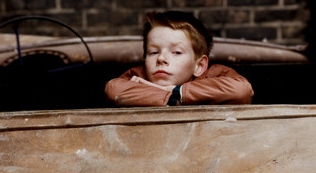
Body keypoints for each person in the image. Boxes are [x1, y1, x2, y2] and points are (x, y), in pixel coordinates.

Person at [105, 11, 253, 106]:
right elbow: (114, 90)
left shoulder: (217, 74)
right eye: (153, 52)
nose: (161, 59)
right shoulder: (138, 76)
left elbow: (241, 90)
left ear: (199, 66)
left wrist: (178, 91)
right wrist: (172, 99)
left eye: (176, 52)